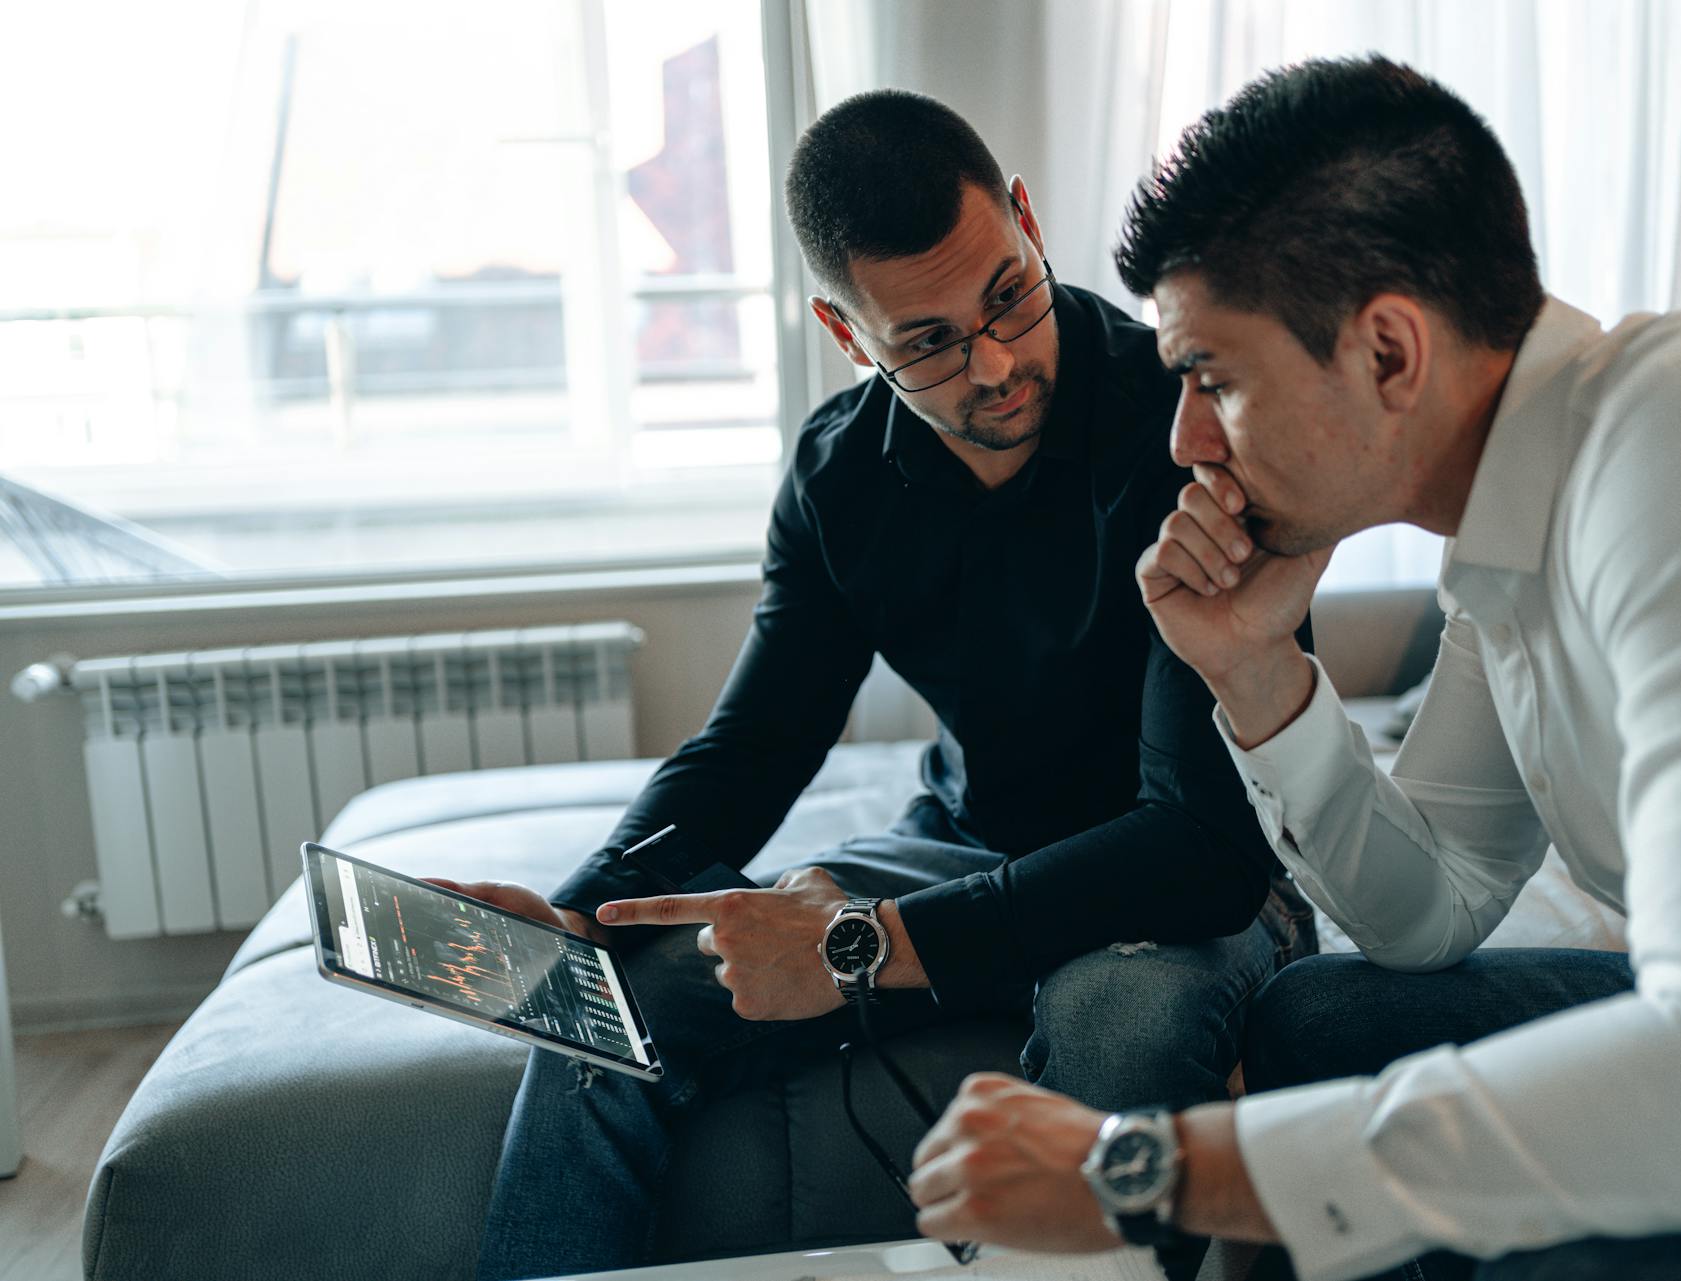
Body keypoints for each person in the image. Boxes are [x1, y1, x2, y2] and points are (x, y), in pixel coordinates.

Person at [905, 55, 1681, 1281]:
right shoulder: (1514, 541)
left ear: (1389, 351)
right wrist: (1255, 671)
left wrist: (1152, 1170)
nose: (1184, 441)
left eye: (1213, 379)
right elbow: (1426, 915)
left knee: (1553, 1258)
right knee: (1325, 1021)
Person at [435, 88, 1316, 1281]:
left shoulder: (1191, 422)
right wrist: (583, 910)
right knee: (603, 1015)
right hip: (968, 847)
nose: (996, 362)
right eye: (929, 342)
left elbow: (1195, 848)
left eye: (1008, 292)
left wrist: (864, 941)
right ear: (849, 336)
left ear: (1025, 219)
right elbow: (752, 748)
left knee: (1125, 1019)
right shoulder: (839, 472)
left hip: (1186, 883)